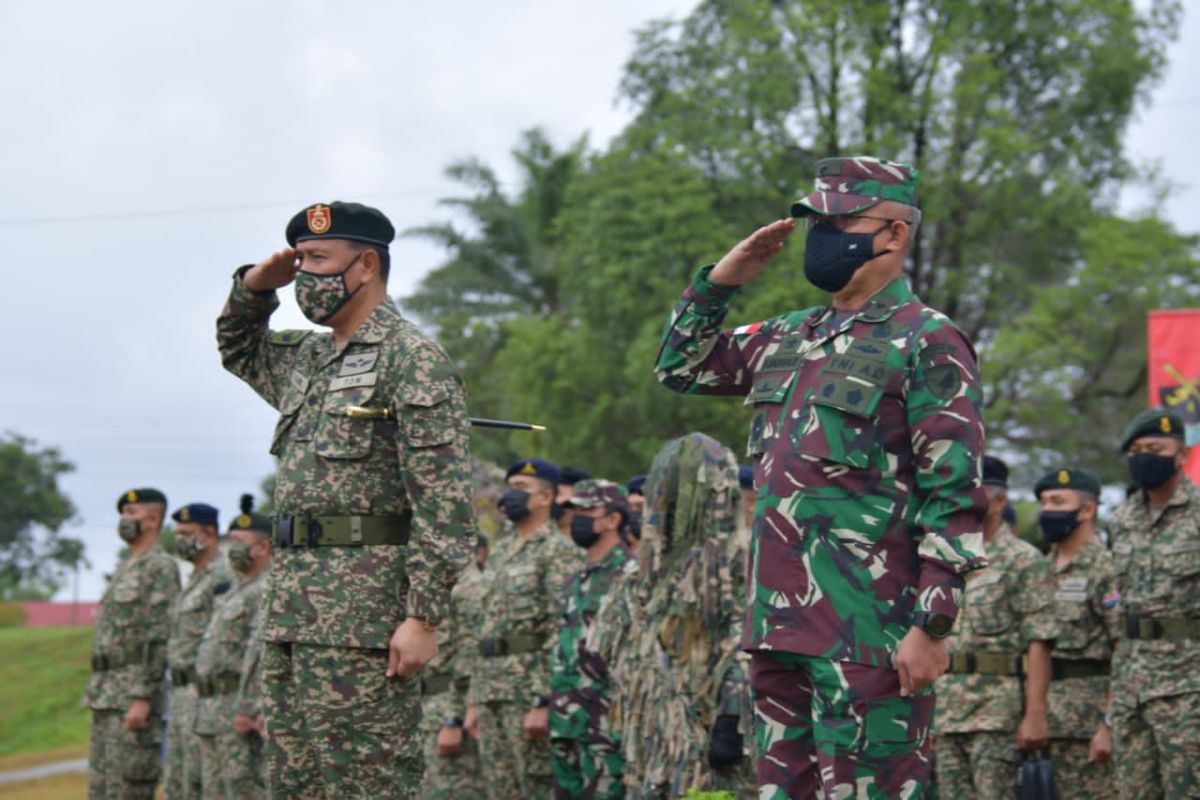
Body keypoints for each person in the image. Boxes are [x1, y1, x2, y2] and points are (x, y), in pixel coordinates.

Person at [653, 156, 987, 797]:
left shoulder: (926, 340)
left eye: (842, 220)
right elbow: (679, 365)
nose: (823, 237)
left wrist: (933, 625)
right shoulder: (788, 336)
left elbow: (954, 495)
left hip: (871, 632)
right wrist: (722, 281)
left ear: (894, 234)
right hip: (778, 627)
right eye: (816, 221)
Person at [216, 200, 476, 798]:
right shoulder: (309, 359)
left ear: (364, 266)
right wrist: (256, 286)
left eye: (317, 260)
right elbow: (237, 347)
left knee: (368, 784)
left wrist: (423, 615)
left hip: (364, 624)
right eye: (300, 260)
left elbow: (444, 502)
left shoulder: (412, 359)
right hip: (292, 615)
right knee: (297, 785)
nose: (305, 274)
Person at [591, 433, 754, 798]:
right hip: (655, 742)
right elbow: (611, 645)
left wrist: (730, 715)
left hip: (713, 740)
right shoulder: (643, 570)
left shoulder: (737, 564)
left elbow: (747, 643)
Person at [934, 456, 1057, 799]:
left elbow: (1039, 642)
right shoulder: (945, 558)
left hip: (997, 713)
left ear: (1000, 500)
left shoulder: (1024, 560)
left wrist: (1035, 714)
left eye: (974, 492)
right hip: (945, 712)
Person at [466, 458, 583, 800]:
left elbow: (561, 629)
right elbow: (484, 627)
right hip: (491, 688)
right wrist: (474, 699)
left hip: (527, 690)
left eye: (522, 489)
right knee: (500, 790)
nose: (510, 496)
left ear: (546, 498)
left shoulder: (558, 551)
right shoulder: (500, 550)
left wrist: (543, 698)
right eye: (509, 488)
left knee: (537, 787)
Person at [1109, 408, 1200, 798]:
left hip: (1188, 686)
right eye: (1137, 449)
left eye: (1155, 447)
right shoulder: (1122, 518)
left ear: (1181, 455)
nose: (1144, 455)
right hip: (1132, 686)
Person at [85, 488, 181, 800]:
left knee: (128, 787)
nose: (124, 520)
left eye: (131, 513)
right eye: (123, 514)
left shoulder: (160, 566)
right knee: (101, 789)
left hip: (132, 696)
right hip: (106, 694)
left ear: (153, 520)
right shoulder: (127, 566)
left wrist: (142, 696)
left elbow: (158, 634)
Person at [1033, 467, 1119, 798]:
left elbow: (1122, 653)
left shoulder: (1105, 569)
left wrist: (1108, 726)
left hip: (1089, 726)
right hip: (1043, 725)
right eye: (1043, 503)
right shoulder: (1040, 566)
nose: (1047, 511)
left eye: (1057, 501)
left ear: (1087, 509)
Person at [549, 479, 635, 799]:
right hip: (566, 721)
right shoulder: (576, 577)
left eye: (587, 511)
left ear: (613, 520)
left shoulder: (630, 575)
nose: (578, 519)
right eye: (575, 511)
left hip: (606, 725)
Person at [193, 504, 272, 799]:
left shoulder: (267, 589)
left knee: (244, 791)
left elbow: (260, 655)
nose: (232, 549)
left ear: (263, 547)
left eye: (240, 543)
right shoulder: (233, 590)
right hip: (213, 712)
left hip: (240, 713)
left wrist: (250, 707)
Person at [164, 502, 232, 800]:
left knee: (201, 783)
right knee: (178, 783)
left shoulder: (223, 574)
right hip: (180, 693)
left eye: (186, 533)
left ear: (208, 533)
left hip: (202, 691)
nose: (179, 539)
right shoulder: (193, 576)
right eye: (177, 533)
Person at [420, 535, 490, 800]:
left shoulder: (467, 584)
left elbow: (473, 655)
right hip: (423, 710)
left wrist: (454, 718)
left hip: (448, 708)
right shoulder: (426, 582)